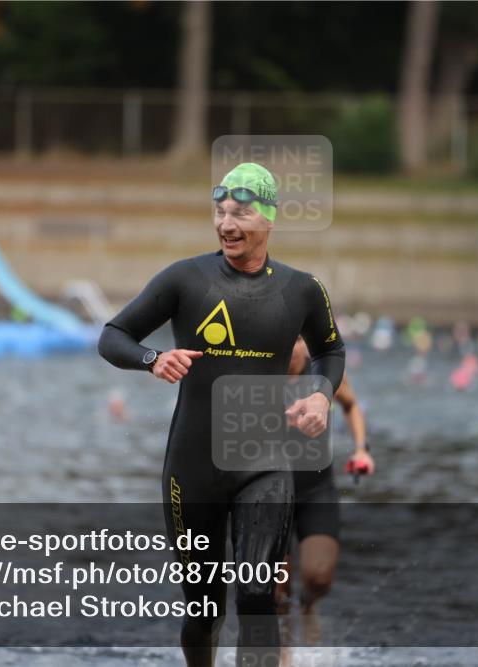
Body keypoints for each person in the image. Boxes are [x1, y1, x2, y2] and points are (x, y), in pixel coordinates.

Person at [98, 162, 345, 667]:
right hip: (193, 469)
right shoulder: (186, 279)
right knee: (203, 609)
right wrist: (153, 358)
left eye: (241, 213)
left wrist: (320, 395)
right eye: (220, 211)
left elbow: (331, 352)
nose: (227, 223)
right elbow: (112, 335)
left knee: (257, 597)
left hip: (266, 463)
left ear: (270, 219)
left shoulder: (302, 289)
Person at [276, 337, 374, 648]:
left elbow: (351, 404)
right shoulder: (259, 373)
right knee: (277, 591)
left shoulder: (324, 373)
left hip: (316, 489)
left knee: (319, 578)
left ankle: (308, 604)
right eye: (287, 337)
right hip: (269, 491)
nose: (293, 347)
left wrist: (361, 449)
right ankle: (286, 652)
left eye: (300, 339)